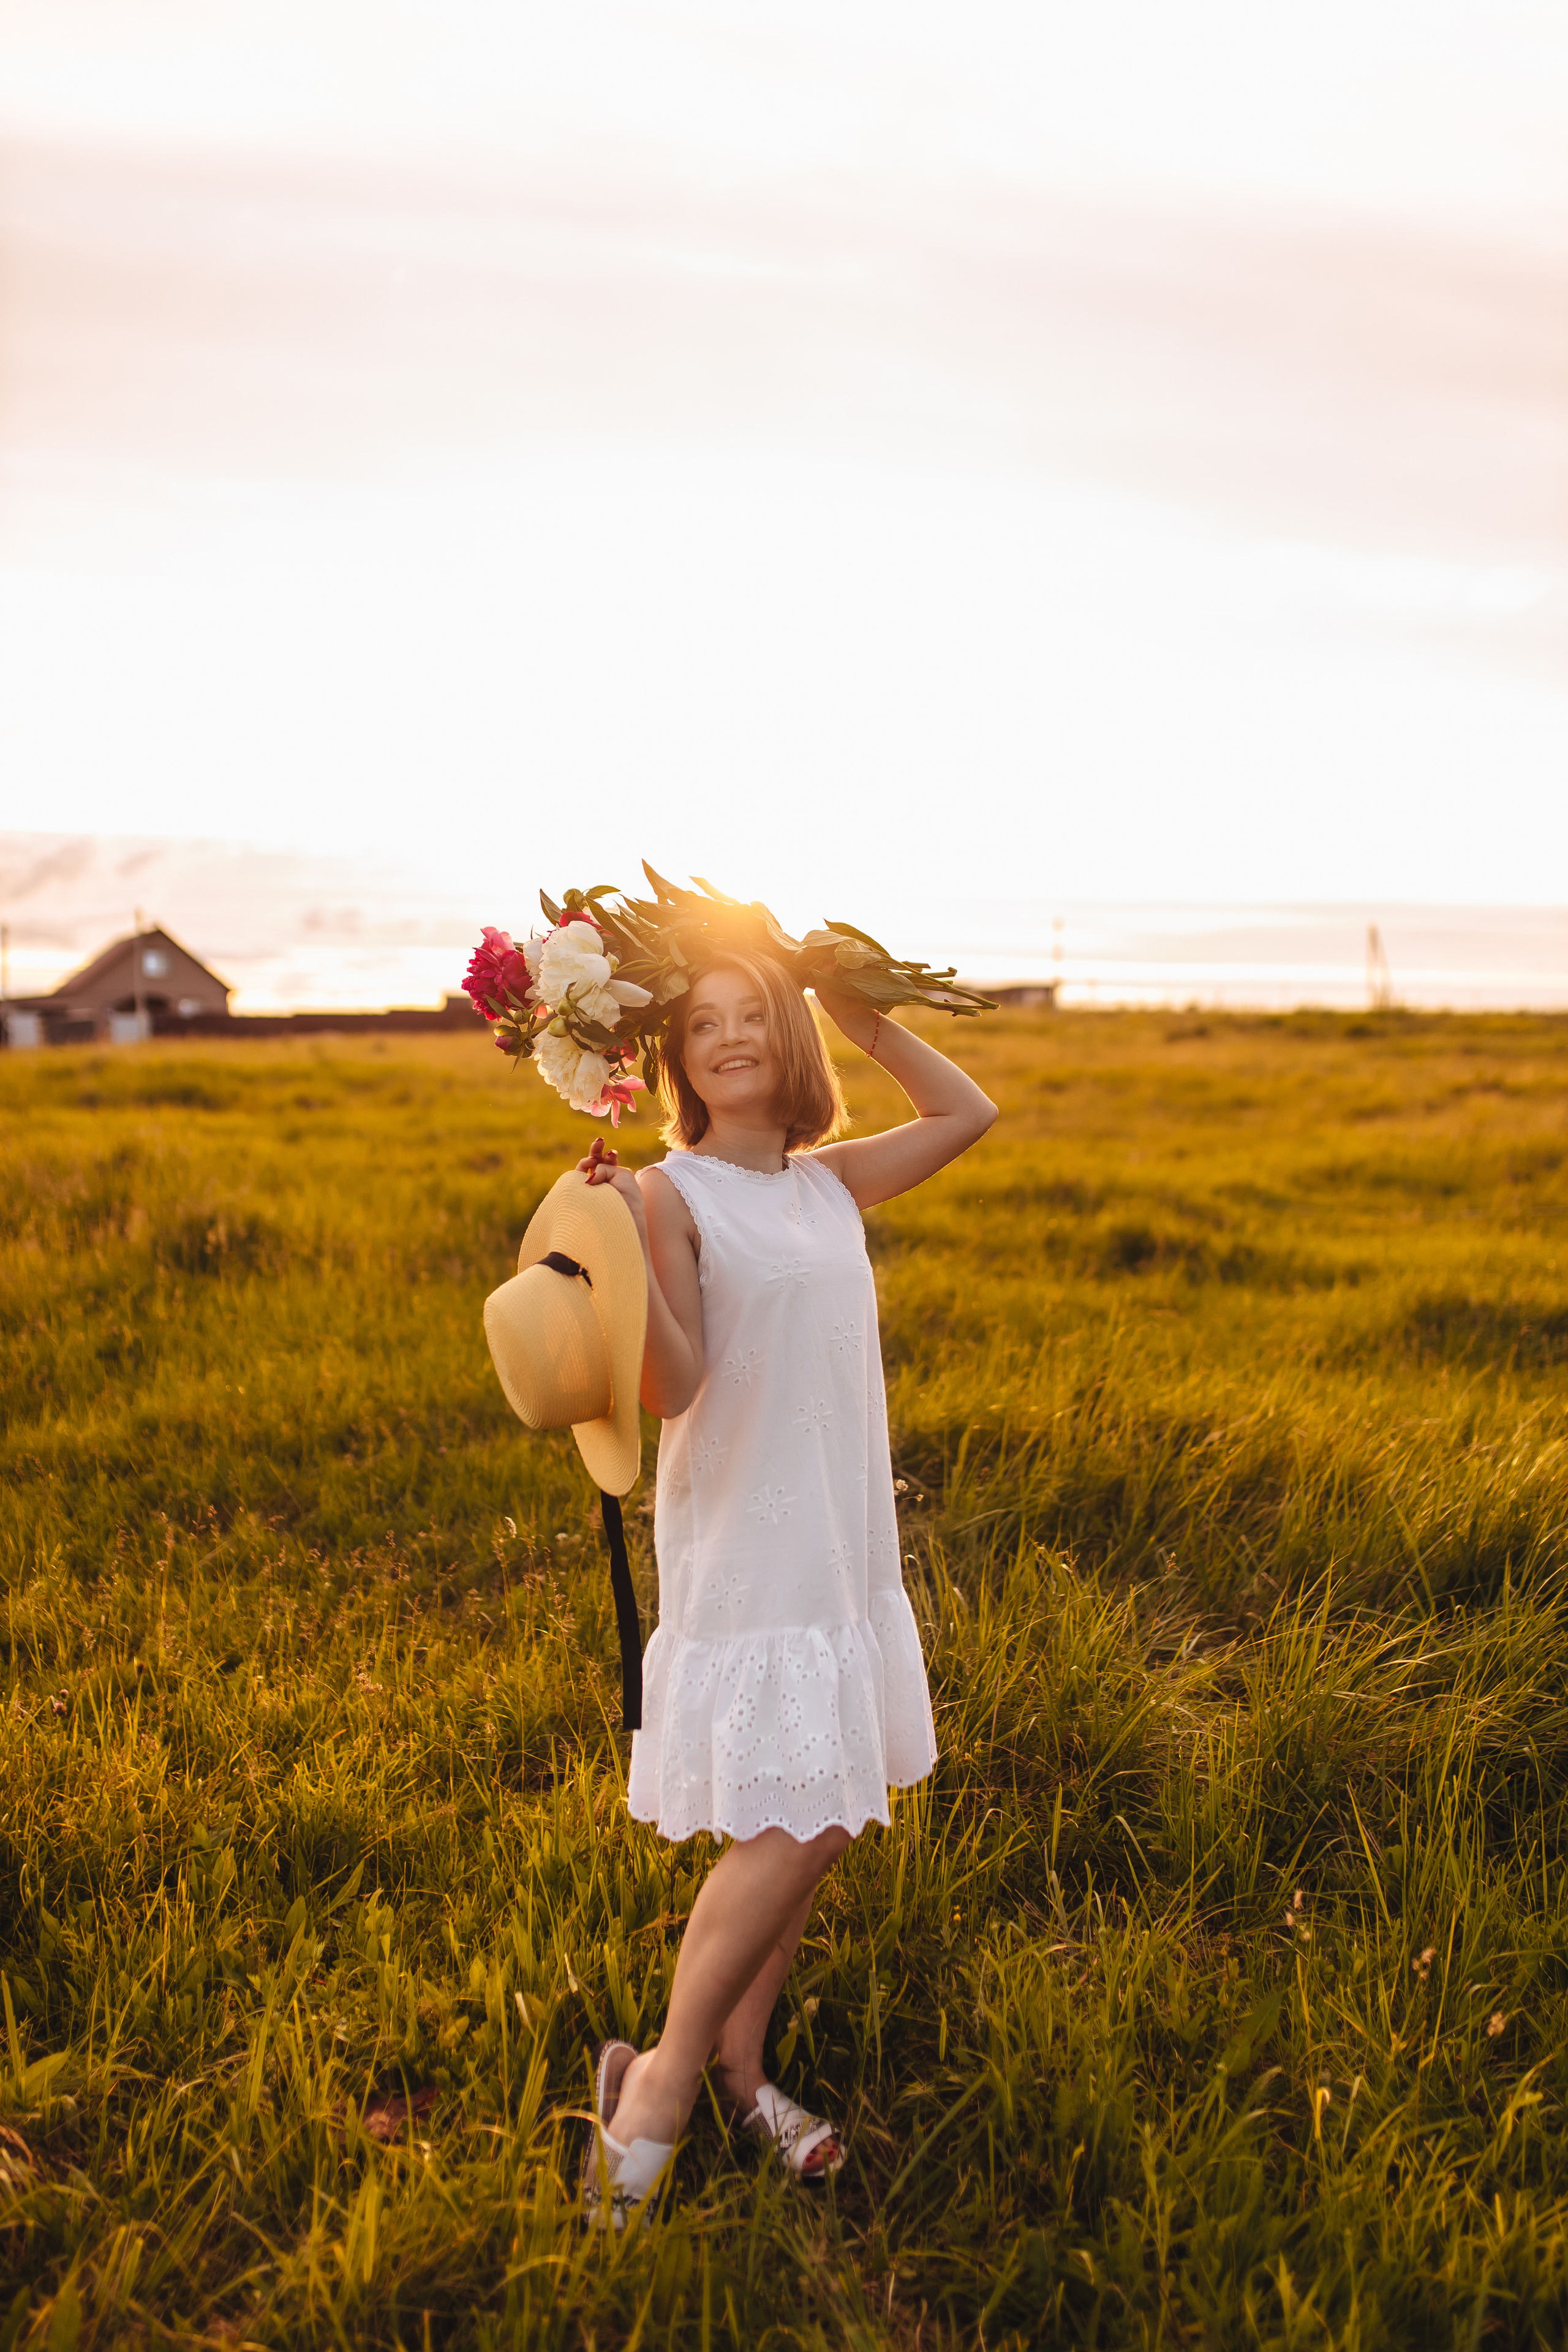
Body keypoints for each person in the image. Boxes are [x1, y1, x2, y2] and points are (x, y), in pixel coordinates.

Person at [576, 952, 997, 2225]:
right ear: (675, 1058)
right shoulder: (668, 1191)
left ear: (789, 1040)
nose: (728, 1039)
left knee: (797, 1819)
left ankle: (740, 2069)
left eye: (752, 1016)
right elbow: (672, 1385)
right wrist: (618, 1261)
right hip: (747, 1538)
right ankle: (656, 2084)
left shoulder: (826, 1186)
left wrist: (852, 1007)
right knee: (806, 1813)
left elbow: (965, 1114)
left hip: (836, 1531)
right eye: (701, 1025)